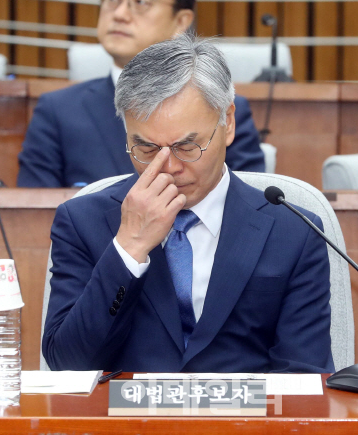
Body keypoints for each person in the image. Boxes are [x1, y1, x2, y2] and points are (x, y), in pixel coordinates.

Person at [42, 34, 334, 373]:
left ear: (228, 123)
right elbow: (67, 365)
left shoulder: (294, 232)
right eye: (147, 149)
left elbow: (303, 381)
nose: (168, 167)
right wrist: (128, 248)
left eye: (187, 146)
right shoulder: (82, 221)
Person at [17, 0, 265, 188]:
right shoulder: (58, 110)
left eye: (141, 1)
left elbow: (249, 208)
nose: (120, 14)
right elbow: (35, 215)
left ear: (181, 20)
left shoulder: (219, 108)